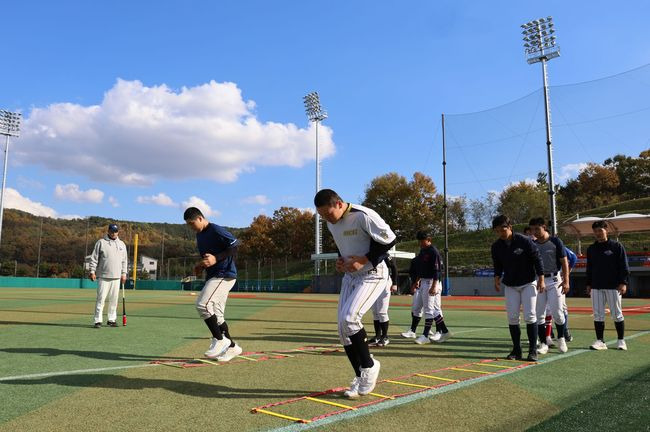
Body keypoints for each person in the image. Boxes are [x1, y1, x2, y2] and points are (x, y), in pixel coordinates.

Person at [314, 189, 396, 399]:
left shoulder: (363, 215)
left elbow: (389, 240)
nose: (326, 219)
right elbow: (345, 246)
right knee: (343, 328)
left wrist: (364, 259)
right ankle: (360, 375)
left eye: (328, 214)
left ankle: (369, 366)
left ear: (339, 204)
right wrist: (342, 260)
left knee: (350, 319)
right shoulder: (332, 222)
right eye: (321, 216)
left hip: (373, 274)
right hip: (351, 277)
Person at [184, 207, 243, 361]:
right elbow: (208, 258)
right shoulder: (200, 236)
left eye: (191, 223)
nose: (191, 227)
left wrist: (216, 258)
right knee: (218, 316)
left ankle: (220, 339)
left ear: (200, 218)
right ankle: (232, 347)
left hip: (224, 275)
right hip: (214, 276)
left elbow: (236, 246)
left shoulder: (215, 230)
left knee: (203, 305)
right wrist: (200, 266)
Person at [491, 215, 545, 362]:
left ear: (510, 227)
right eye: (497, 230)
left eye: (503, 228)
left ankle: (533, 350)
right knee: (513, 317)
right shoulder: (496, 246)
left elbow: (537, 258)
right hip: (510, 285)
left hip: (528, 282)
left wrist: (541, 279)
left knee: (530, 315)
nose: (501, 232)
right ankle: (517, 350)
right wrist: (496, 279)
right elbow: (497, 265)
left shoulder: (524, 240)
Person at [586, 220, 630, 351]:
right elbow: (590, 268)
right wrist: (589, 284)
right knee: (598, 314)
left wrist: (623, 282)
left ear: (606, 230)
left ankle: (621, 341)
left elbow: (624, 265)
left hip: (614, 286)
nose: (598, 233)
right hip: (596, 286)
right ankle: (600, 341)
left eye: (600, 230)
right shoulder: (591, 249)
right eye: (595, 231)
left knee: (617, 314)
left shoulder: (616, 246)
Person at [529, 217, 570, 354]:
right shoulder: (533, 244)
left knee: (558, 312)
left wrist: (566, 281)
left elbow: (564, 262)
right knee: (539, 313)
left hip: (554, 280)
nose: (535, 232)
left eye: (537, 229)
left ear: (544, 227)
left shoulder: (555, 241)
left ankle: (561, 337)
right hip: (539, 281)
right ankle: (543, 342)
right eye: (532, 229)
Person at [412, 230, 452, 344]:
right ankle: (444, 331)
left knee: (429, 309)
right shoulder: (423, 251)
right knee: (433, 309)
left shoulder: (433, 252)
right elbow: (421, 267)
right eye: (419, 241)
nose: (420, 243)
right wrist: (417, 280)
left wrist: (434, 285)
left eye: (422, 241)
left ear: (429, 240)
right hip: (424, 281)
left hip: (431, 281)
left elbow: (437, 271)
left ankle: (425, 335)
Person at [88, 224, 128, 328]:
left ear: (118, 232)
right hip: (103, 276)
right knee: (101, 299)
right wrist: (92, 271)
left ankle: (111, 319)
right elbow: (94, 258)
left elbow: (124, 261)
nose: (113, 233)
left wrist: (124, 274)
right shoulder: (101, 242)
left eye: (115, 231)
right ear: (108, 231)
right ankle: (97, 320)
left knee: (114, 300)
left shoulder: (122, 244)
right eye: (112, 231)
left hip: (117, 277)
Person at [369, 256, 398, 347]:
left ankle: (385, 336)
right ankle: (377, 336)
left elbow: (394, 267)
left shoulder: (383, 253)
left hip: (384, 283)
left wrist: (395, 283)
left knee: (382, 311)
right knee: (375, 311)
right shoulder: (366, 252)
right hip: (372, 283)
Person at [401, 257, 423, 338]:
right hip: (420, 285)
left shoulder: (433, 255)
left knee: (433, 310)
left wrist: (416, 282)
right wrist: (415, 283)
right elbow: (413, 273)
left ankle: (439, 331)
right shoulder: (415, 260)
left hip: (428, 284)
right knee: (416, 308)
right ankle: (413, 330)